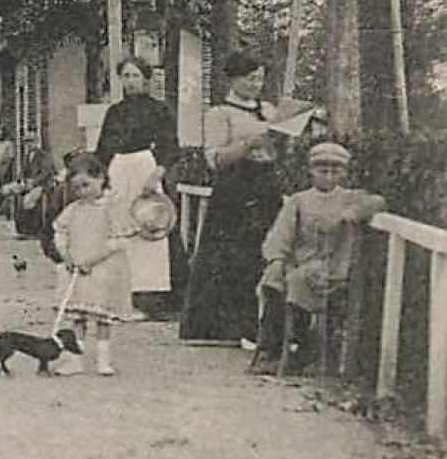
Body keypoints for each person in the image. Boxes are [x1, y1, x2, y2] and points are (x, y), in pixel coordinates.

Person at [251, 143, 386, 375]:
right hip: (300, 263)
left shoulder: (350, 198)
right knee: (273, 281)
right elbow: (281, 234)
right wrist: (276, 260)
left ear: (344, 173)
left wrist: (354, 213)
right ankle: (271, 350)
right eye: (322, 170)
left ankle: (304, 351)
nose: (329, 176)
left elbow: (378, 202)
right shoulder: (299, 200)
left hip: (335, 267)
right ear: (311, 171)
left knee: (297, 282)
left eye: (336, 171)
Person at [181, 51, 281, 345]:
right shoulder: (219, 113)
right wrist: (248, 144)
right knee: (233, 257)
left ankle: (267, 326)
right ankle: (229, 327)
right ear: (234, 79)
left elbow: (279, 149)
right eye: (250, 78)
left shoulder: (270, 110)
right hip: (235, 189)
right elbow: (215, 159)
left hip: (266, 185)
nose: (256, 84)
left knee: (265, 250)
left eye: (260, 78)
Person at [94, 56, 181, 302]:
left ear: (146, 79)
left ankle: (151, 293)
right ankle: (120, 292)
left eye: (135, 76)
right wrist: (101, 178)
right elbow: (103, 149)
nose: (130, 82)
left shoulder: (159, 110)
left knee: (149, 227)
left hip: (146, 167)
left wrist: (157, 173)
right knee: (120, 228)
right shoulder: (114, 112)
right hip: (118, 170)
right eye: (126, 76)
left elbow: (171, 146)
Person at [51, 154, 134, 376]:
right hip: (77, 270)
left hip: (101, 270)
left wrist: (94, 258)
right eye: (77, 188)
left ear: (101, 178)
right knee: (78, 317)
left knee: (102, 319)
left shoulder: (112, 207)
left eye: (87, 185)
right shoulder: (74, 209)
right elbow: (60, 230)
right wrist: (66, 255)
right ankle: (75, 361)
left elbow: (118, 240)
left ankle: (103, 361)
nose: (83, 192)